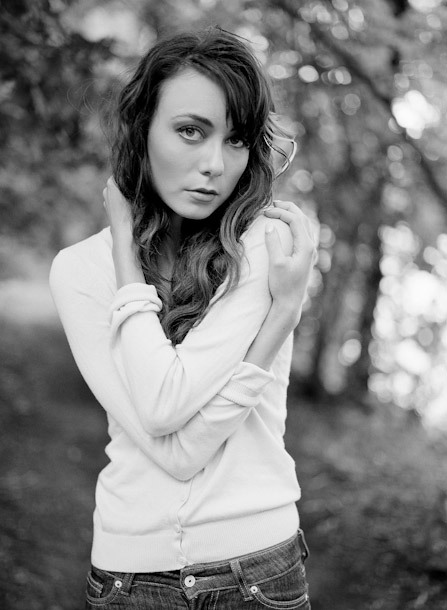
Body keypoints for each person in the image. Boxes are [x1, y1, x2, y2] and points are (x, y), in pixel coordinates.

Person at [50, 27, 316, 610]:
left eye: (236, 139)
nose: (214, 165)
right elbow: (167, 426)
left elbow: (167, 414)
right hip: (127, 575)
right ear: (142, 127)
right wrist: (126, 253)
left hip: (258, 570)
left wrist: (285, 311)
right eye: (190, 131)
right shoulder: (79, 270)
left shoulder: (262, 244)